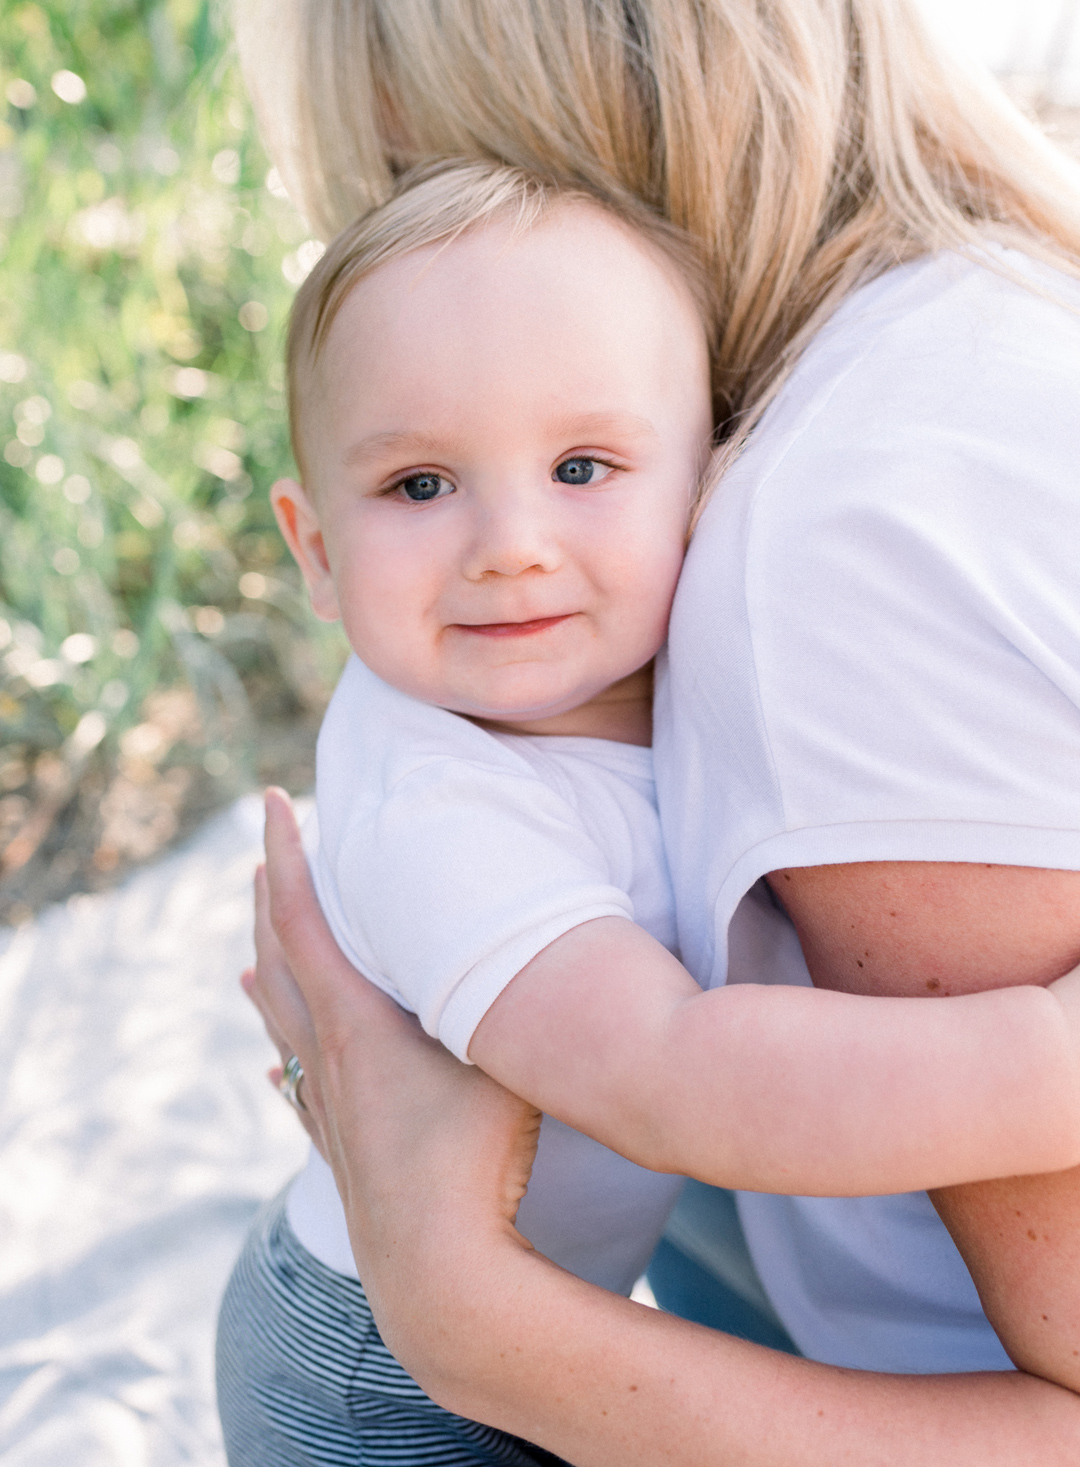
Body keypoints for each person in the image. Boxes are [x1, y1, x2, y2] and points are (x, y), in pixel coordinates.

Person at [233, 0, 1080, 1459]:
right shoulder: (435, 802)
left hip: (536, 1301)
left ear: (710, 464)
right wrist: (1050, 1055)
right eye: (421, 486)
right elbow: (680, 1077)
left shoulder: (806, 531)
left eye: (580, 466)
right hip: (373, 1376)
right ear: (309, 548)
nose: (508, 546)